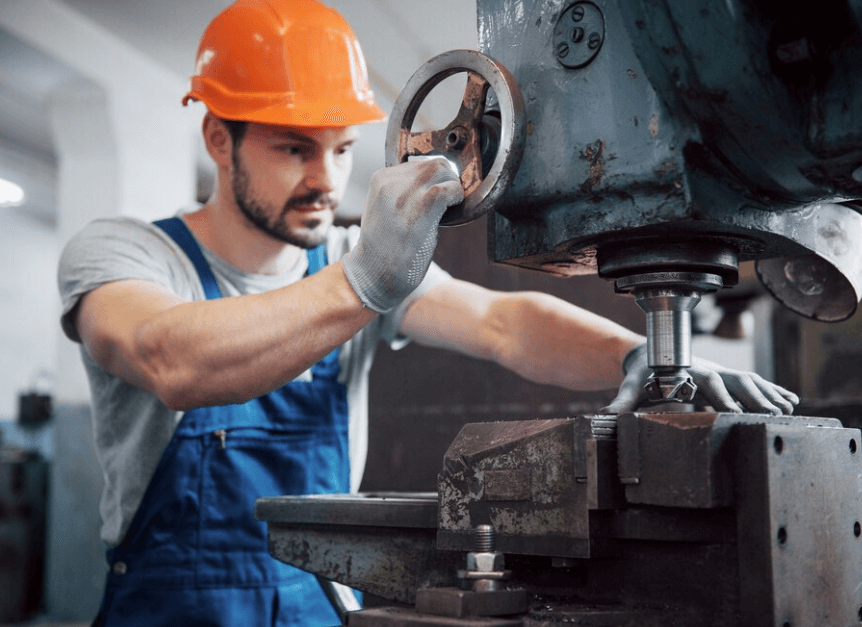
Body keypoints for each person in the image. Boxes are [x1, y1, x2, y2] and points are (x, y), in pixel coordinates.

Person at [57, 1, 799, 625]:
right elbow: (170, 359)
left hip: (318, 600)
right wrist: (364, 282)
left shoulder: (346, 260)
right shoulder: (124, 254)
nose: (326, 180)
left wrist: (635, 354)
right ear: (220, 139)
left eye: (342, 150)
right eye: (293, 148)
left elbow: (503, 324)